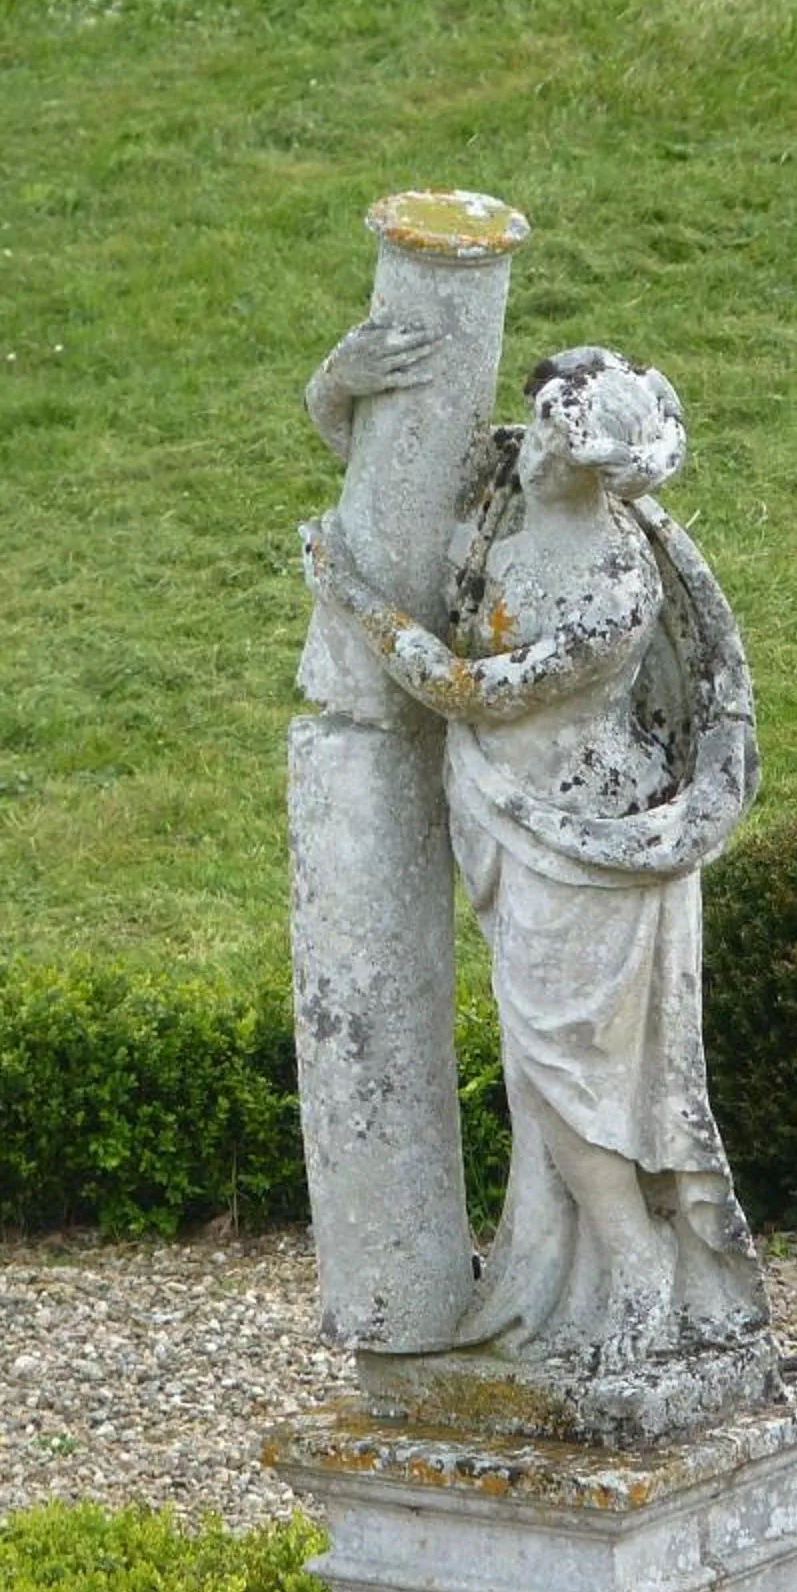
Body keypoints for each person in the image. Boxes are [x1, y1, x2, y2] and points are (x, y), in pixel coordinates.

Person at [305, 342, 769, 1382]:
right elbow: (384, 470)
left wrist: (353, 596)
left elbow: (469, 691)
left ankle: (643, 1272)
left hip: (587, 845)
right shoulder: (506, 491)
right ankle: (585, 1278)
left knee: (572, 1075)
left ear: (581, 461)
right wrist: (341, 382)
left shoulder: (615, 589)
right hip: (509, 822)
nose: (522, 450)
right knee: (544, 1071)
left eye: (547, 436)